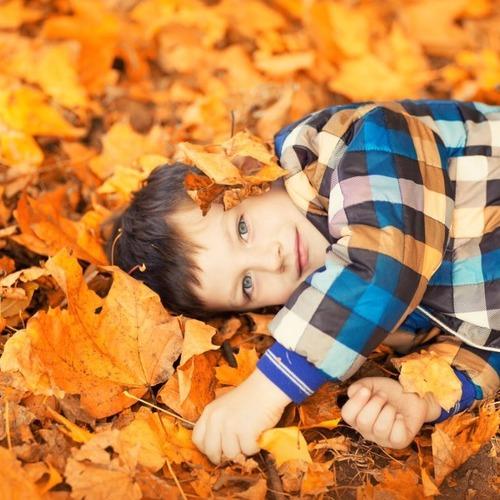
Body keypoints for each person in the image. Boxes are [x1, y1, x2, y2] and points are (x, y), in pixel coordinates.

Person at [106, 99, 500, 464]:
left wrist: (269, 388)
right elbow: (484, 339)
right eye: (247, 284)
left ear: (245, 176)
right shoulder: (369, 318)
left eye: (243, 229)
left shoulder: (351, 142)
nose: (271, 260)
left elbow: (386, 257)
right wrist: (423, 394)